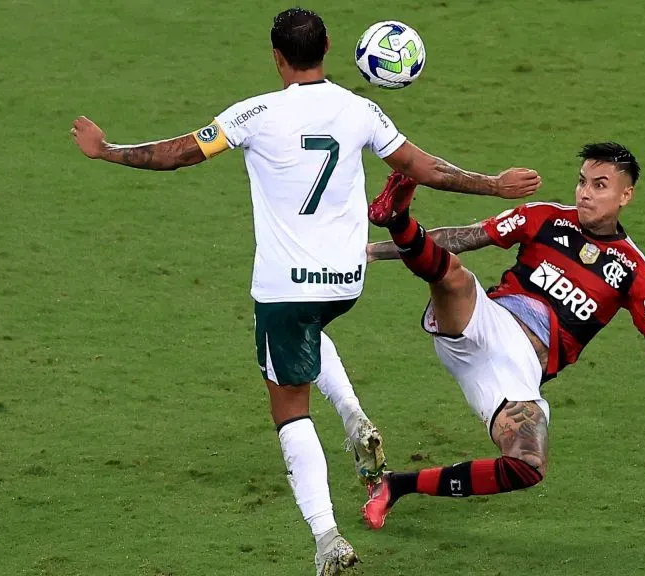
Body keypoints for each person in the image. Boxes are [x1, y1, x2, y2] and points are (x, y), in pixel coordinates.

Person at [68, 7, 540, 575]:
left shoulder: (257, 113)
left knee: (290, 410)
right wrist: (494, 185)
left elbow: (178, 153)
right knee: (312, 333)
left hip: (286, 288)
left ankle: (326, 537)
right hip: (347, 280)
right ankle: (354, 416)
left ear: (276, 56)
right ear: (329, 48)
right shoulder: (361, 109)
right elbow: (426, 167)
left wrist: (107, 149)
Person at [361, 142, 645, 529]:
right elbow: (466, 236)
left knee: (528, 465)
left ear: (626, 195)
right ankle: (398, 218)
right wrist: (373, 251)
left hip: (516, 375)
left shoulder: (635, 273)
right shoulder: (545, 218)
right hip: (489, 321)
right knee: (454, 278)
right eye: (582, 182)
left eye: (600, 185)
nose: (585, 193)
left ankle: (396, 486)